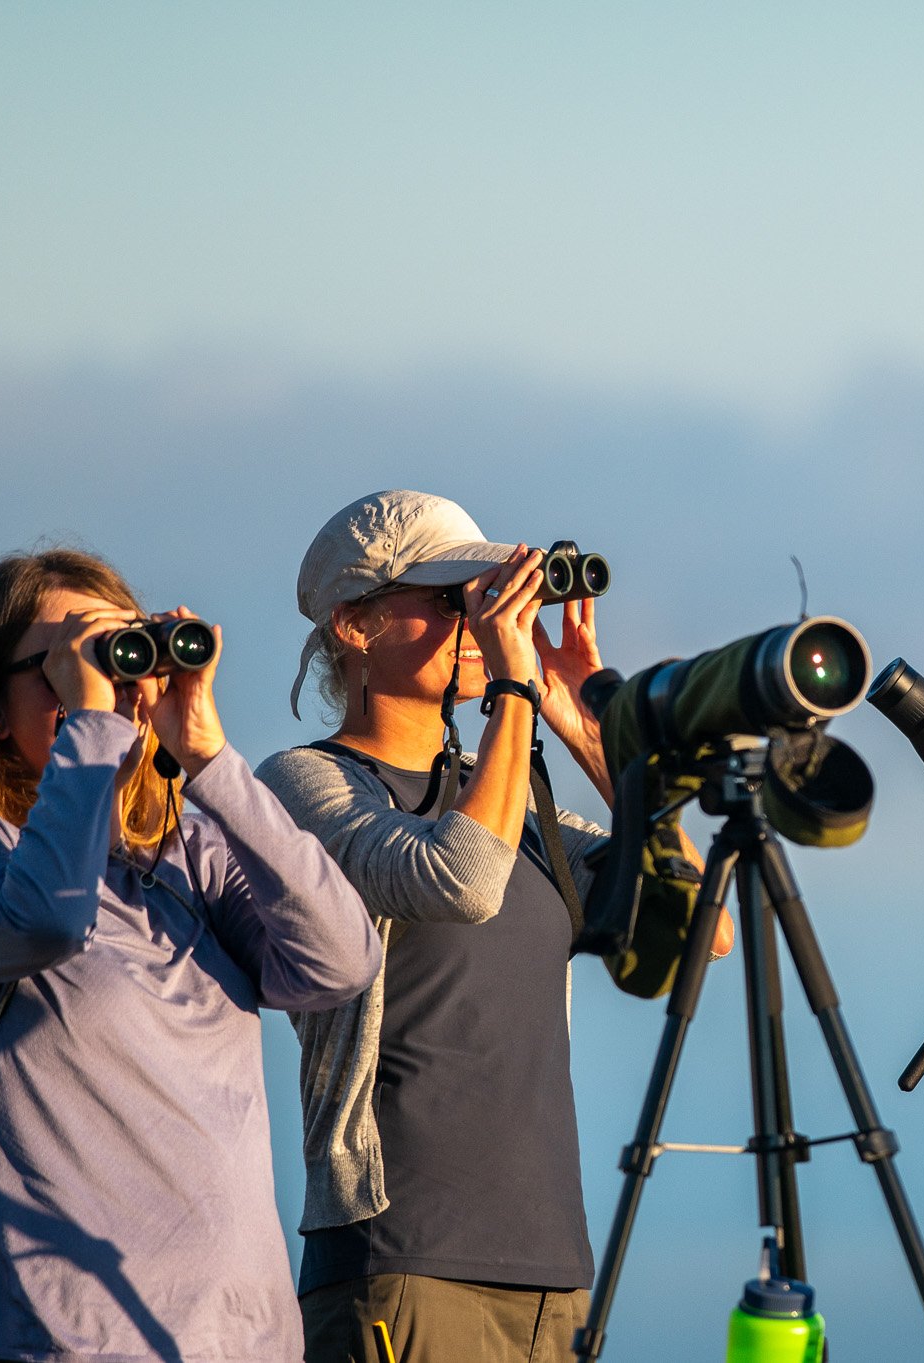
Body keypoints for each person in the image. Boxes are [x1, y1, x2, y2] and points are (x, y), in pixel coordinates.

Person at [257, 490, 731, 1363]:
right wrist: (512, 686)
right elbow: (461, 879)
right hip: (401, 1256)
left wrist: (579, 712)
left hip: (552, 1262)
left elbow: (702, 922)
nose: (478, 621)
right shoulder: (303, 785)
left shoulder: (514, 791)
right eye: (450, 600)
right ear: (353, 625)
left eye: (486, 597)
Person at [0, 549, 384, 1363]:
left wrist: (209, 759)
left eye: (121, 656)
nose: (105, 690)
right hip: (61, 1341)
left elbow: (342, 960)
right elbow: (48, 916)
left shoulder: (188, 853)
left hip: (245, 1341)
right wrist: (90, 723)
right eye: (65, 665)